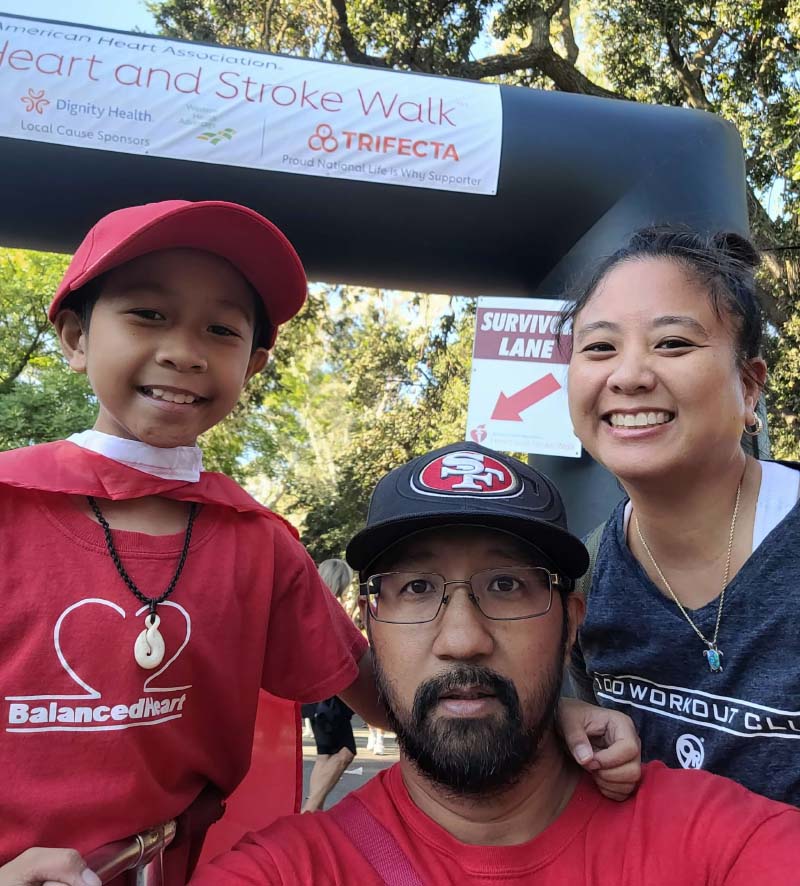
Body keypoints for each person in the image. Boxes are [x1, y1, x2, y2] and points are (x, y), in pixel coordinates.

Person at [186, 442, 799, 884]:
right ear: (369, 623)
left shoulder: (716, 840)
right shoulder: (290, 870)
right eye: (417, 588)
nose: (462, 639)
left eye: (507, 585)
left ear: (571, 624)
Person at [0, 200, 386, 883]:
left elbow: (383, 694)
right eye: (148, 314)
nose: (184, 351)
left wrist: (543, 716)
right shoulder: (9, 505)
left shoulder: (260, 545)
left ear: (255, 363)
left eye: (221, 329)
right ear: (74, 335)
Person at [563, 226, 800, 805]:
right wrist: (564, 720)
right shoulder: (584, 576)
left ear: (749, 389)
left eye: (672, 344)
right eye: (599, 348)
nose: (629, 375)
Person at [302, 559, 358, 813]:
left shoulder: (308, 609)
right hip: (332, 694)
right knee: (345, 752)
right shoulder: (331, 611)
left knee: (325, 754)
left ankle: (314, 810)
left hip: (314, 693)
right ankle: (309, 812)